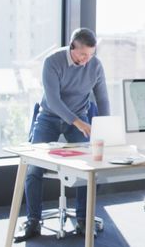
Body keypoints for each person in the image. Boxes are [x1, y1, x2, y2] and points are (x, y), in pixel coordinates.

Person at [14, 28, 110, 243]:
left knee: (89, 167)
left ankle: (84, 219)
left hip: (79, 116)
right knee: (33, 168)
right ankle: (33, 221)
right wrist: (78, 123)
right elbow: (54, 100)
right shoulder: (53, 61)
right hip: (49, 115)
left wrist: (106, 127)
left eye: (91, 55)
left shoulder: (95, 65)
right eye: (83, 55)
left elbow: (102, 98)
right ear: (72, 47)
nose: (87, 60)